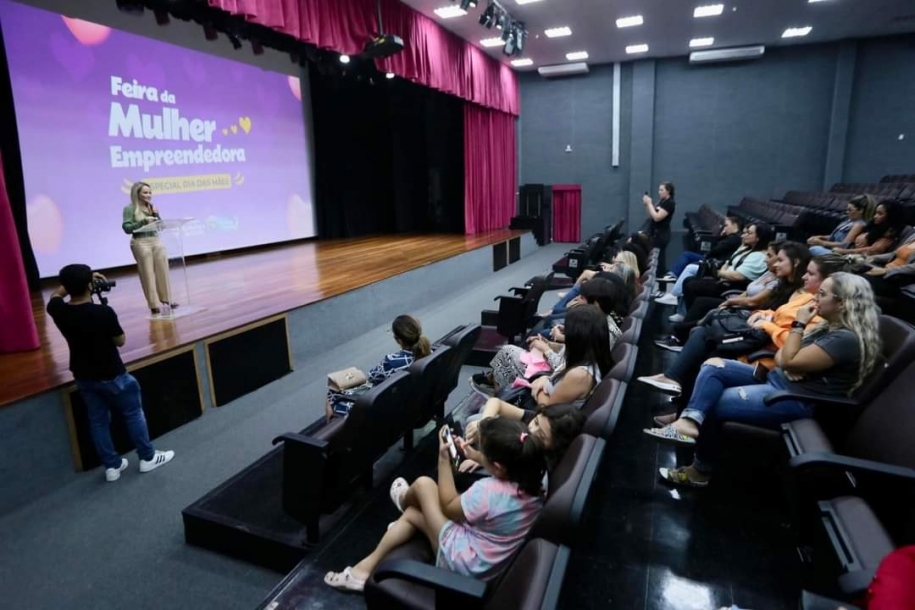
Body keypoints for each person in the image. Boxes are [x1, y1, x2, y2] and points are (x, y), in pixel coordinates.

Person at [642, 272, 881, 488]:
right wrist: (790, 361)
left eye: (822, 294)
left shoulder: (844, 338)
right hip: (778, 379)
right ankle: (689, 422)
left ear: (842, 303)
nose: (815, 299)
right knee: (713, 366)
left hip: (794, 398)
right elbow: (781, 356)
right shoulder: (828, 328)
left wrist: (798, 327)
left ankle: (699, 471)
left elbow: (788, 359)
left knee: (713, 401)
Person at [324, 419, 547, 592]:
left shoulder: (488, 491)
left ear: (498, 467)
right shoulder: (536, 480)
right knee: (412, 515)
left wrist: (443, 459)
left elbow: (448, 506)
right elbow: (502, 468)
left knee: (424, 485)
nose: (480, 453)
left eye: (483, 451)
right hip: (485, 559)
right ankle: (361, 572)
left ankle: (405, 498)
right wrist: (474, 456)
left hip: (464, 566)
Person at [645, 251, 849, 425]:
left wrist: (771, 325)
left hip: (766, 359)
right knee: (706, 340)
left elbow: (788, 351)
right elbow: (776, 318)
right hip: (765, 350)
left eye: (811, 274)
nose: (805, 276)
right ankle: (680, 402)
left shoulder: (823, 319)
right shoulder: (808, 299)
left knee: (709, 355)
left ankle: (685, 416)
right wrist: (765, 317)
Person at [46, 264, 174, 482]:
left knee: (98, 421)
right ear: (89, 286)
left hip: (83, 376)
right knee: (133, 414)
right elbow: (120, 341)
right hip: (113, 374)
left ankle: (112, 467)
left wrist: (73, 283)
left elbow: (55, 296)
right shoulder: (103, 312)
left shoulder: (58, 310)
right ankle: (147, 457)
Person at [473, 287, 615, 396]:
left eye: (581, 297)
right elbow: (573, 351)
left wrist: (546, 350)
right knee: (512, 350)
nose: (577, 299)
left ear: (596, 304)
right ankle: (496, 384)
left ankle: (500, 393)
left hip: (551, 376)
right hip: (556, 370)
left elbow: (563, 367)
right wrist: (549, 344)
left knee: (507, 351)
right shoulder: (598, 324)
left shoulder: (581, 373)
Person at [654, 241, 784, 352]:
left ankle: (680, 340)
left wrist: (731, 301)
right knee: (698, 296)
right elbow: (747, 291)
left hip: (747, 309)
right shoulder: (768, 273)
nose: (765, 259)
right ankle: (681, 334)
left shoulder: (777, 282)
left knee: (702, 303)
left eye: (769, 256)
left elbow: (753, 302)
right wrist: (732, 300)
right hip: (737, 299)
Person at [326, 315, 431, 420]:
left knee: (331, 395)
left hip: (386, 410)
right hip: (412, 405)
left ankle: (332, 428)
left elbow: (371, 376)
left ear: (399, 340)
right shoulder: (427, 352)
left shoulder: (392, 362)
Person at [663, 223, 773, 321]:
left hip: (732, 285)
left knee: (692, 285)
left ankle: (688, 316)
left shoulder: (758, 256)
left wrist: (718, 273)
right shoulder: (747, 248)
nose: (743, 235)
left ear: (759, 237)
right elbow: (729, 262)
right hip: (724, 279)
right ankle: (685, 313)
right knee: (689, 280)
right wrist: (722, 272)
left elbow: (738, 276)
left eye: (749, 233)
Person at [460, 403, 586, 473]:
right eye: (535, 422)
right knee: (479, 417)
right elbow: (496, 403)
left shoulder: (535, 464)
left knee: (473, 419)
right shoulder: (541, 421)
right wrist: (482, 423)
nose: (532, 430)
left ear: (556, 445)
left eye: (541, 435)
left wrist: (482, 459)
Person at [121, 182, 175, 316]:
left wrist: (157, 215)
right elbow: (127, 228)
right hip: (141, 242)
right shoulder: (129, 208)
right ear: (137, 194)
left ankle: (167, 298)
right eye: (145, 192)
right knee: (147, 273)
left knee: (163, 270)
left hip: (155, 240)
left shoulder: (151, 207)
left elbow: (161, 226)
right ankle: (153, 304)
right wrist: (143, 221)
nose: (149, 195)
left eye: (150, 192)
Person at [660, 216, 744, 283]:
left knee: (688, 258)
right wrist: (721, 236)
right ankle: (673, 275)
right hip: (713, 259)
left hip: (715, 262)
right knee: (687, 255)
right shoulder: (730, 237)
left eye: (726, 225)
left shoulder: (735, 238)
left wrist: (706, 255)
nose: (724, 228)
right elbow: (717, 246)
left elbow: (717, 249)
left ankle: (673, 277)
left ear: (734, 225)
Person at [834, 199, 906, 257]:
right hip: (849, 255)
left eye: (880, 214)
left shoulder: (889, 233)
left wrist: (844, 251)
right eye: (875, 213)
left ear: (891, 216)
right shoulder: (876, 227)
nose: (875, 216)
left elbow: (872, 250)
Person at [807, 194, 874, 256]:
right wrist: (820, 237)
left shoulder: (859, 225)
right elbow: (835, 236)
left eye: (850, 210)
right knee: (811, 245)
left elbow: (844, 245)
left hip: (840, 253)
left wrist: (821, 242)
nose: (847, 212)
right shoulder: (849, 221)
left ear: (861, 210)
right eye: (847, 209)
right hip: (832, 248)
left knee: (813, 249)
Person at [642, 182, 677, 274]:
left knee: (659, 257)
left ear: (668, 191)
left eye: (662, 190)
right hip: (655, 232)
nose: (659, 192)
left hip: (662, 233)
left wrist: (649, 203)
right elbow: (652, 215)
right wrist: (647, 205)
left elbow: (657, 217)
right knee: (657, 256)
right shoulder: (662, 201)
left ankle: (660, 276)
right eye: (659, 190)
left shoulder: (670, 203)